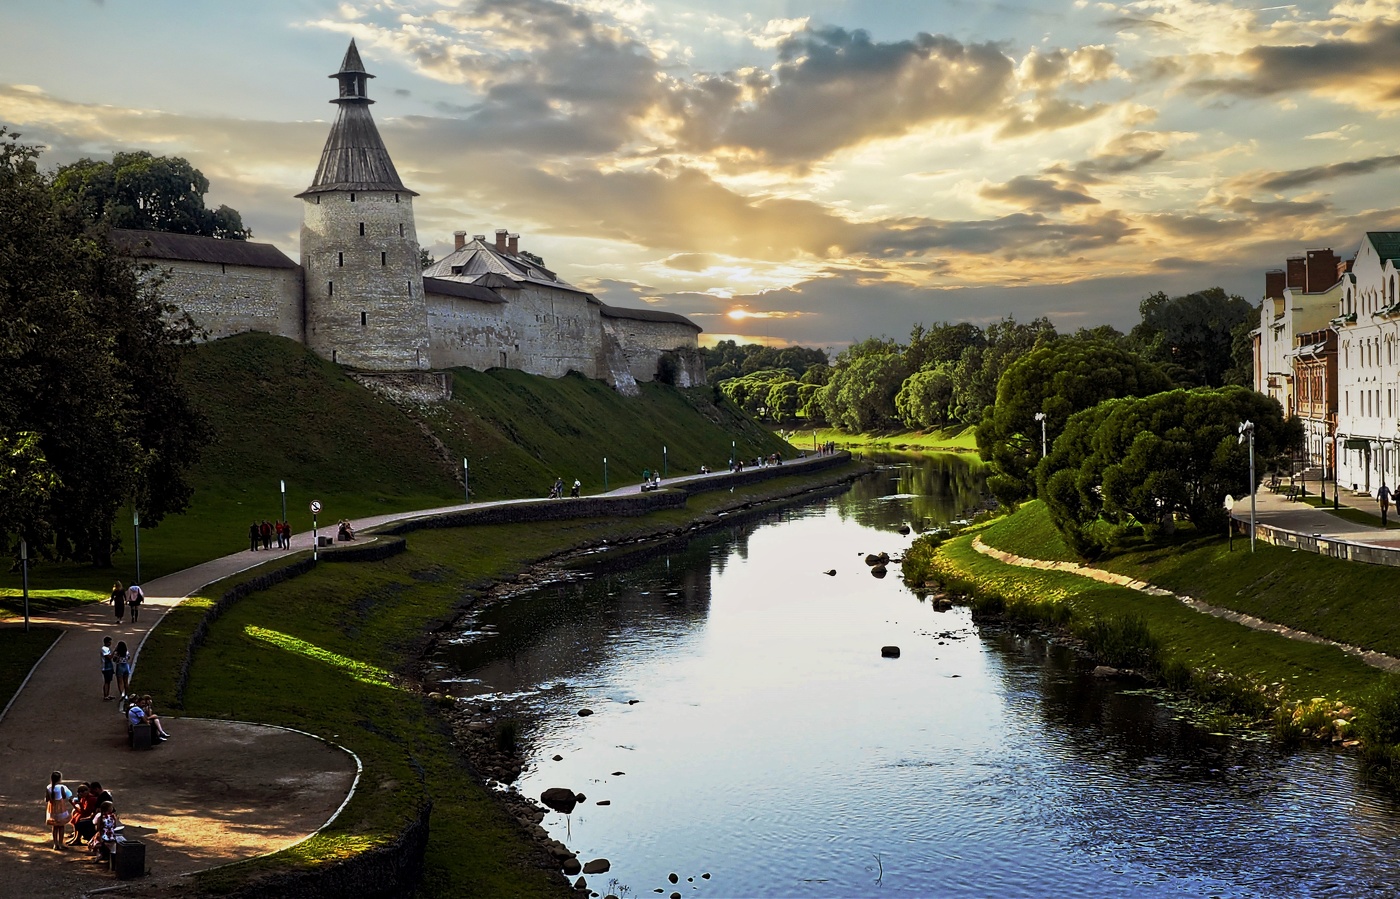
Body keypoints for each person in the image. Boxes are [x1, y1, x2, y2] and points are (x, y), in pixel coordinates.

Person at [44, 771, 74, 850]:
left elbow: (47, 799)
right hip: (60, 808)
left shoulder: (48, 787)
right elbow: (65, 796)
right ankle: (60, 843)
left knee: (54, 826)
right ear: (60, 779)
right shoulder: (61, 787)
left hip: (52, 808)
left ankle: (55, 844)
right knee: (61, 826)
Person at [100, 636, 115, 701]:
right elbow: (109, 657)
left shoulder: (107, 648)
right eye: (109, 642)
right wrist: (114, 652)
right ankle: (105, 695)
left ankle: (107, 694)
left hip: (109, 667)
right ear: (106, 642)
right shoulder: (104, 649)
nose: (110, 643)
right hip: (106, 668)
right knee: (106, 681)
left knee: (108, 681)